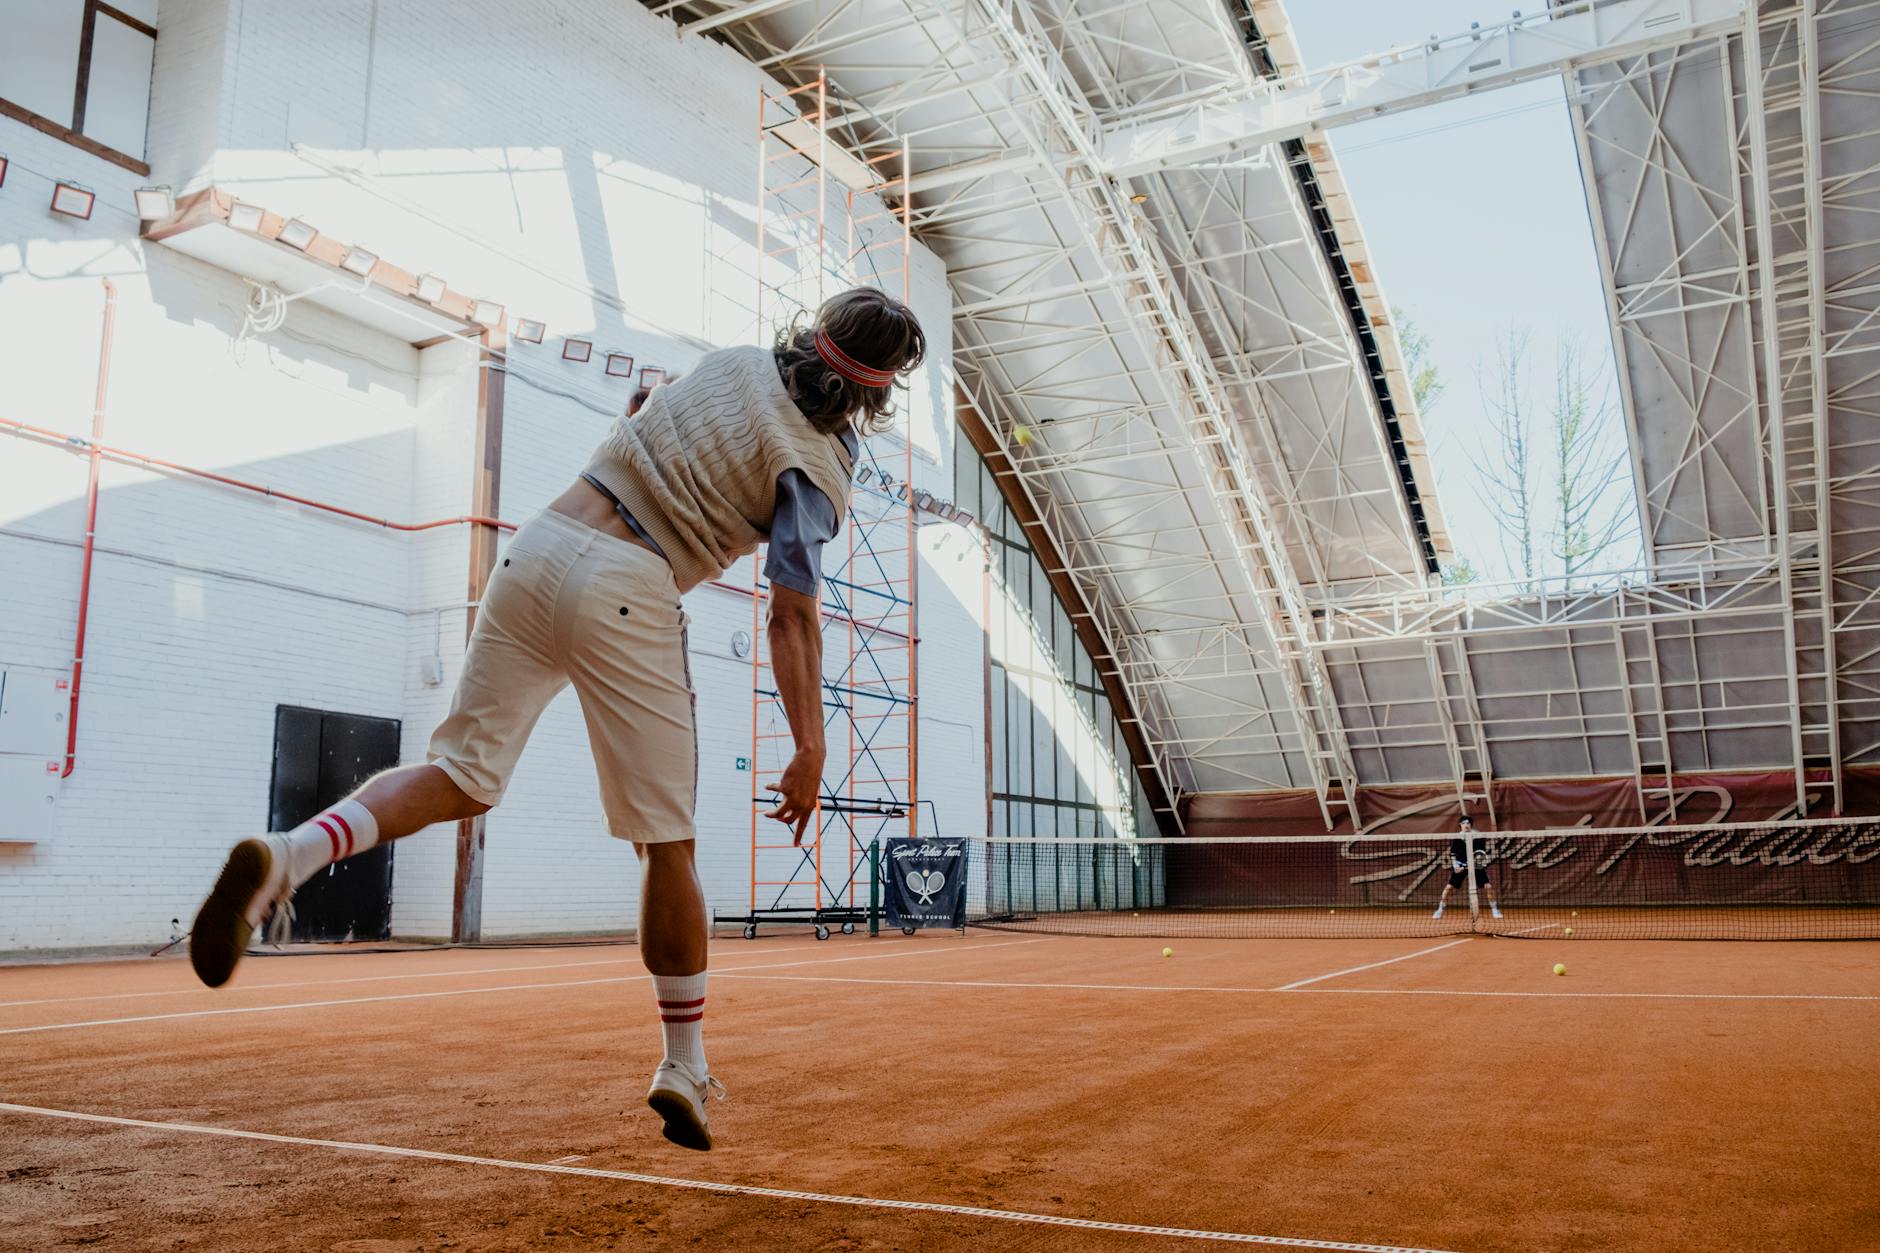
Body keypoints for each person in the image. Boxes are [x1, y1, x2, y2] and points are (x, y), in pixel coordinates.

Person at [187, 288, 925, 1151]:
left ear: (815, 329)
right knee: (667, 844)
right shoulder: (818, 467)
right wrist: (810, 744)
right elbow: (790, 612)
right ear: (878, 391)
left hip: (537, 548)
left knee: (461, 774)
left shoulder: (730, 365)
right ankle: (683, 1064)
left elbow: (645, 407)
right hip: (630, 585)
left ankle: (289, 854)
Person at [1432, 815, 1502, 921]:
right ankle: (1440, 910)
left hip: (1476, 865)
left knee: (1488, 886)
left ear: (1471, 825)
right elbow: (1453, 854)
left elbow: (1481, 854)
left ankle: (1495, 909)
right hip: (1460, 864)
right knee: (1448, 888)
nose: (1466, 825)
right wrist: (1455, 865)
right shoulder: (1457, 838)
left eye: (1468, 823)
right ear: (1460, 825)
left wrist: (1470, 864)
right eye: (1463, 823)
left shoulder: (1478, 836)